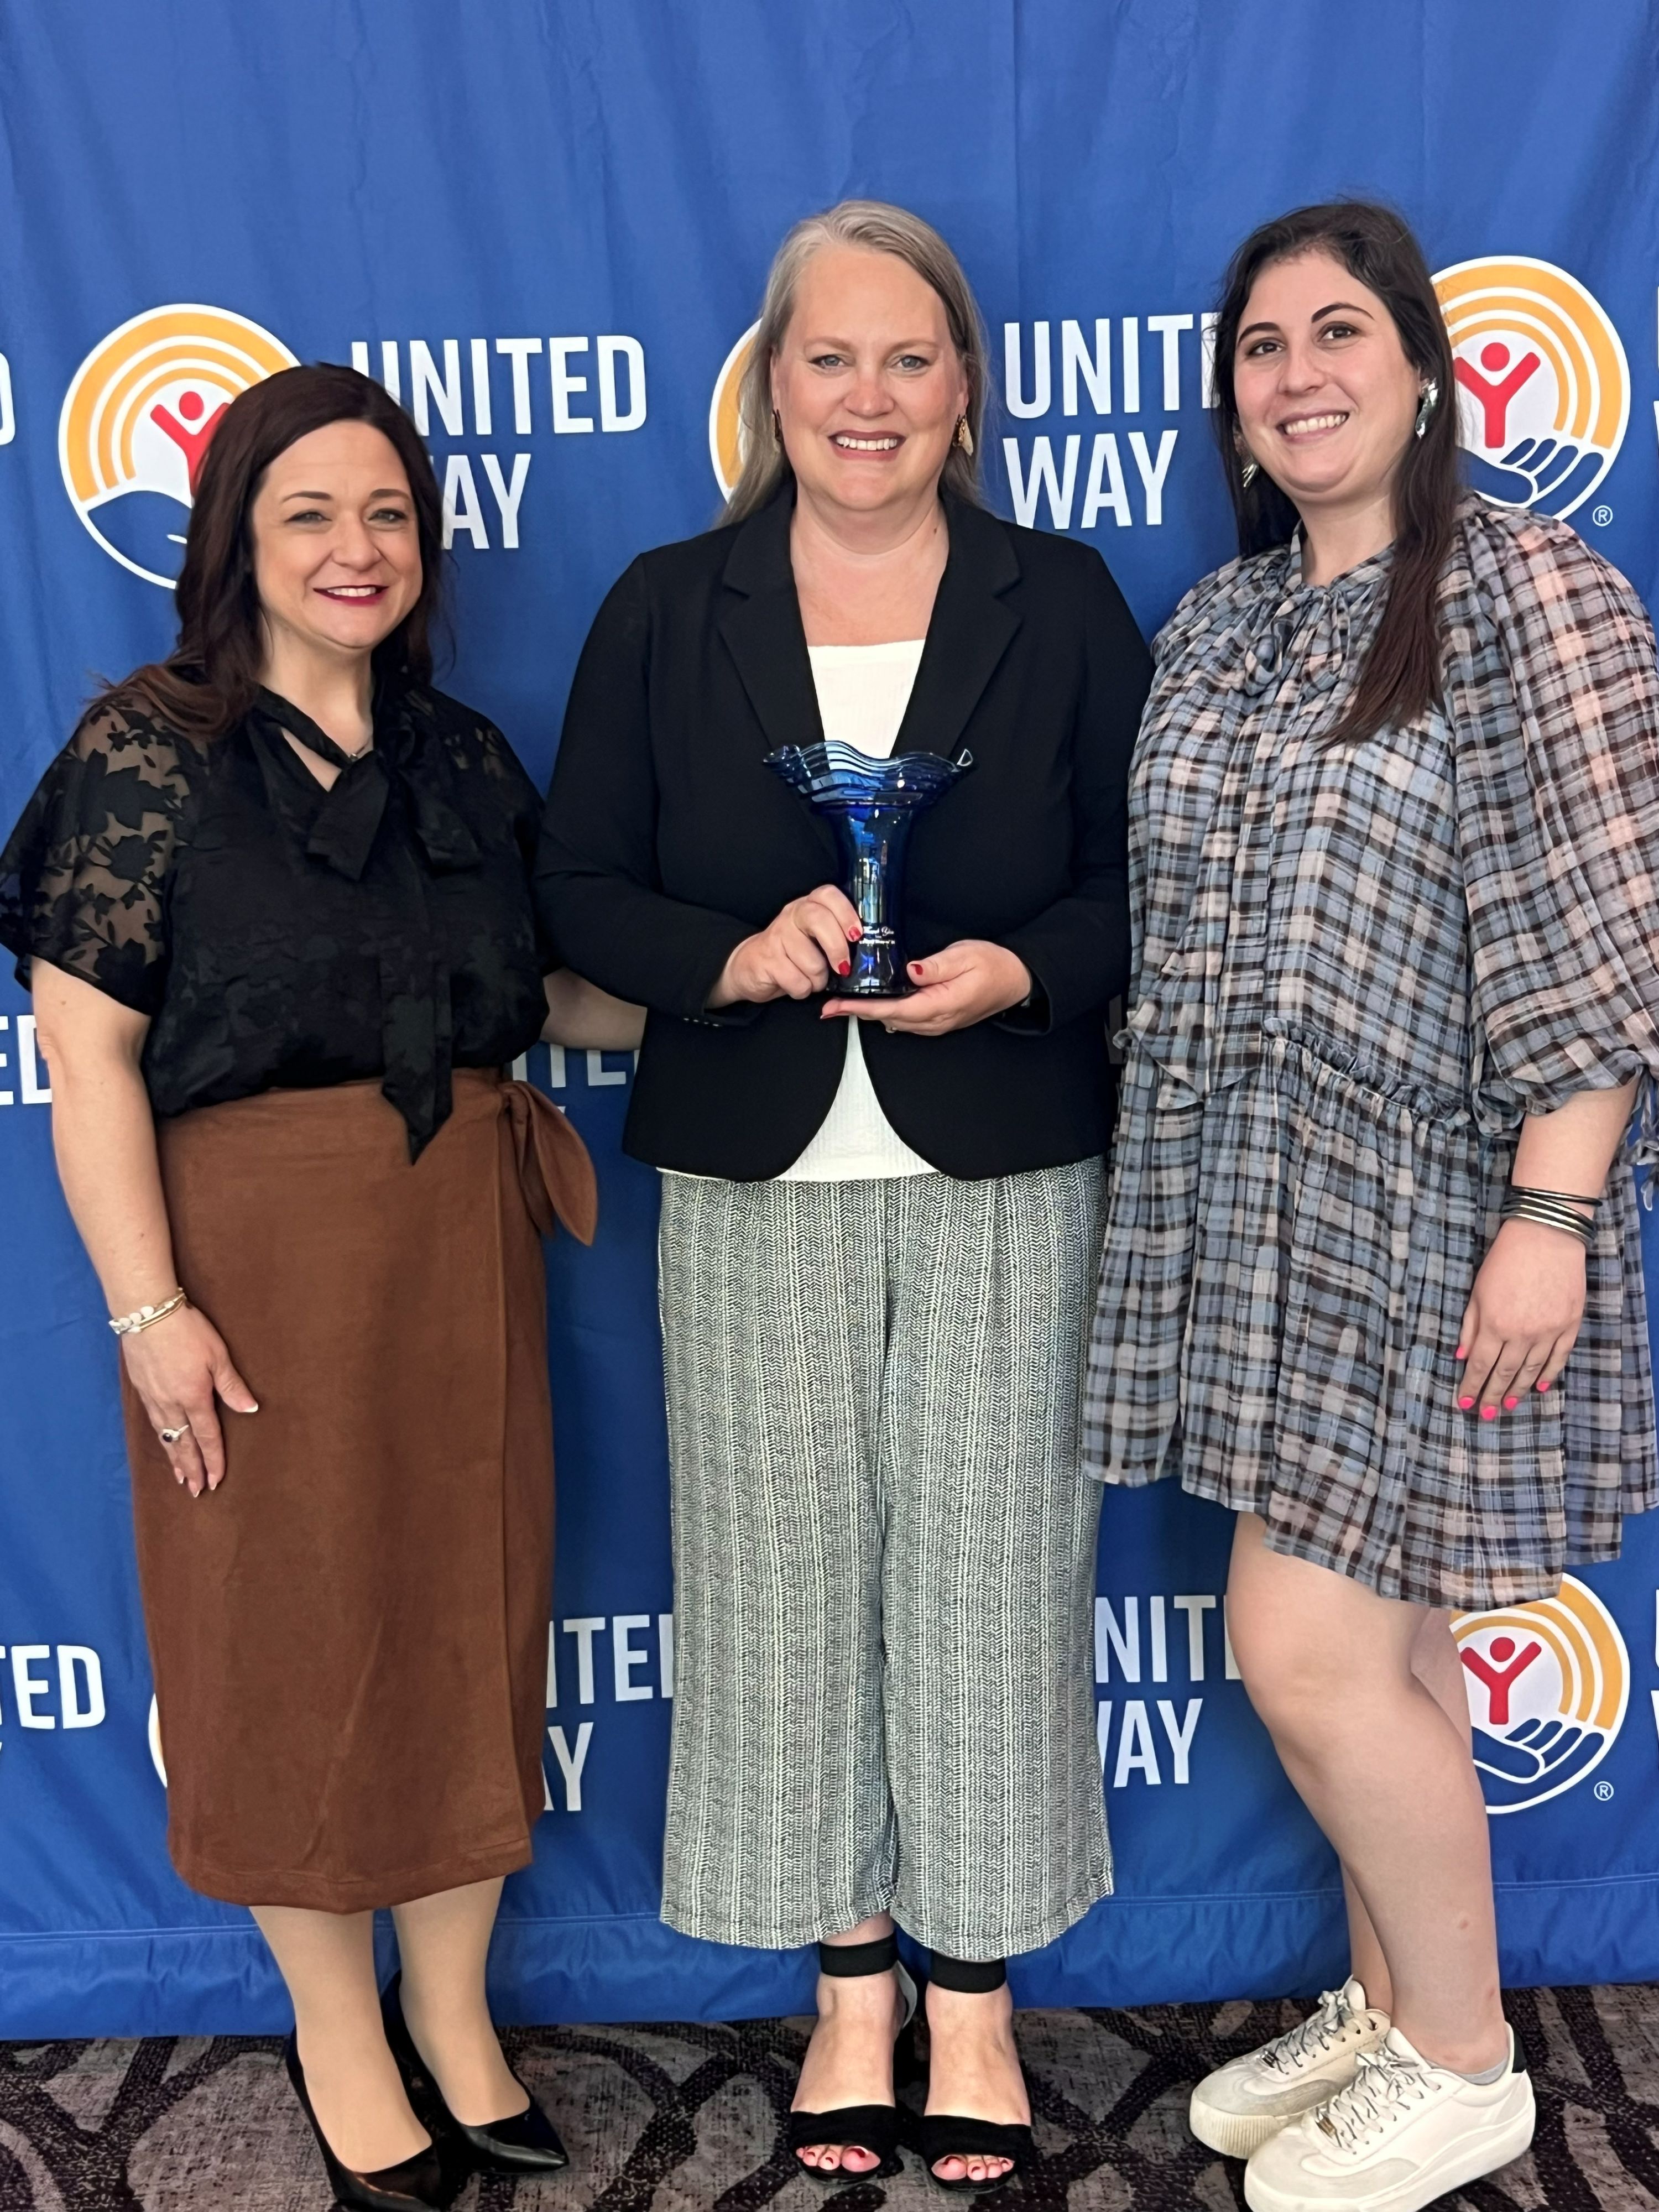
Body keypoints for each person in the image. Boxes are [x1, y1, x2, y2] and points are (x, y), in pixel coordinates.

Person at [538, 199, 1150, 2190]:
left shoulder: (1059, 604)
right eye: (830, 358)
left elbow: (1150, 882)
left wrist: (1026, 970)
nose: (867, 398)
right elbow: (579, 887)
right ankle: (851, 1994)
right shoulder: (664, 603)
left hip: (1001, 1161)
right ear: (770, 381)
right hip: (753, 1164)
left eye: (909, 358)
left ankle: (973, 2003)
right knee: (783, 1593)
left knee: (990, 1576)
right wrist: (727, 956)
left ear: (965, 387)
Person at [0, 363, 639, 2211]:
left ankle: (452, 2014)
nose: (357, 551)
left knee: (468, 1619)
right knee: (281, 1646)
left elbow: (551, 1002)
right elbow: (90, 1056)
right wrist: (150, 1312)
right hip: (253, 1267)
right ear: (237, 543)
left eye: (386, 515)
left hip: (463, 1248)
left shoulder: (459, 755)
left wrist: (739, 975)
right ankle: (336, 2031)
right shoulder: (145, 753)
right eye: (311, 516)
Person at [1084, 200, 1659, 2212]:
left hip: (1443, 1221)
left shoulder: (1529, 593)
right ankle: (1393, 1990)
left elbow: (1608, 925)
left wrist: (1556, 1215)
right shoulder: (1226, 622)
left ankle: (1473, 2061)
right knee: (1388, 1656)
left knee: (1307, 1655)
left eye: (1340, 334)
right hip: (1247, 1221)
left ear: (1426, 372)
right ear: (1231, 402)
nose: (1298, 373)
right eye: (1261, 347)